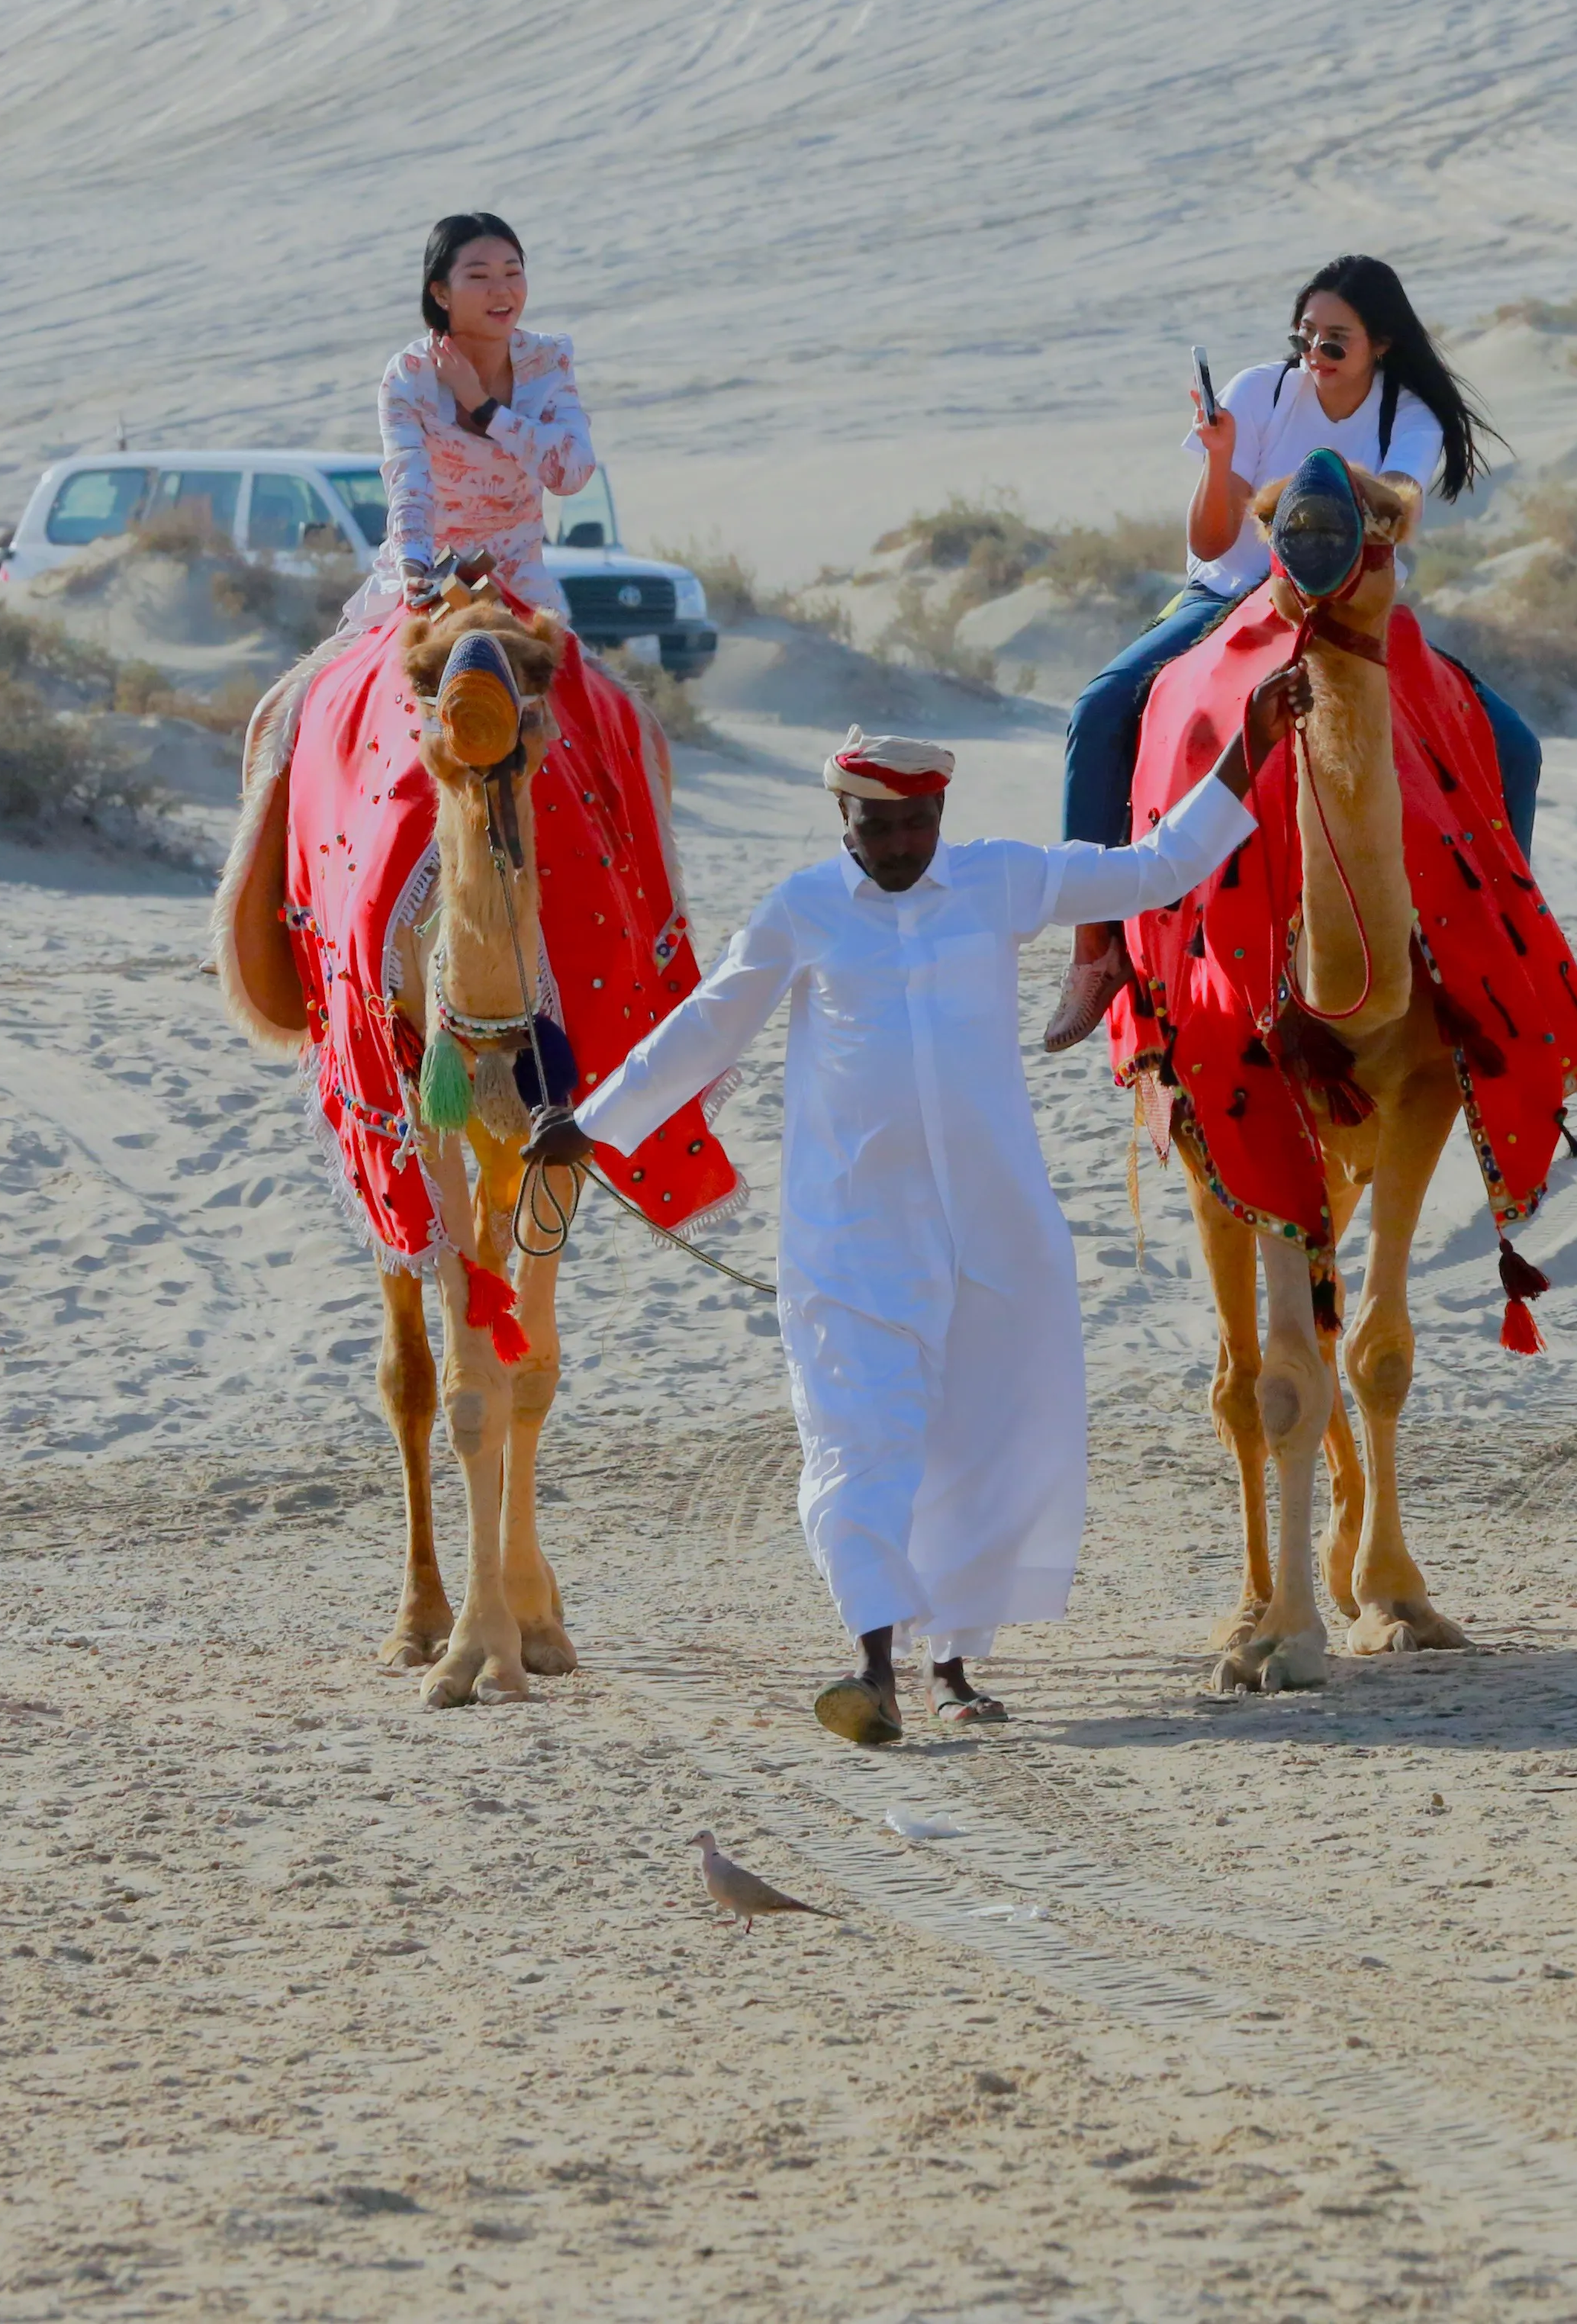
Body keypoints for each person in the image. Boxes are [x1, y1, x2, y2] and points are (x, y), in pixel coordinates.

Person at [529, 672, 1311, 1744]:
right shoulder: (801, 909)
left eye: (917, 824)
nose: (901, 846)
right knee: (860, 1441)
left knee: (982, 1445)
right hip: (852, 1236)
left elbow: (1157, 869)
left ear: (942, 813)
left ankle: (951, 1664)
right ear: (841, 817)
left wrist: (1251, 746)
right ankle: (873, 1666)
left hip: (996, 1233)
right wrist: (596, 1123)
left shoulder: (997, 882)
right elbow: (710, 1025)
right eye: (879, 827)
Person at [1038, 255, 1535, 1050]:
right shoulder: (1258, 392)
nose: (1316, 355)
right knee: (1098, 710)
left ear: (1381, 343)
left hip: (1353, 605)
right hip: (1231, 594)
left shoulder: (1407, 417)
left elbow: (1395, 512)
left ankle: (1506, 953)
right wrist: (1224, 457)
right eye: (1307, 337)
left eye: (1336, 342)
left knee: (1514, 745)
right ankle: (1095, 947)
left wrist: (1321, 501)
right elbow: (1209, 540)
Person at [369, 212, 595, 622]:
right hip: (426, 579)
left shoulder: (549, 360)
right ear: (441, 293)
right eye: (478, 277)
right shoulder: (408, 376)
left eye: (513, 273)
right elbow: (409, 487)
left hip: (521, 588)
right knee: (314, 683)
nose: (501, 291)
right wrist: (414, 573)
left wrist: (484, 408)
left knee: (591, 684)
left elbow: (571, 474)